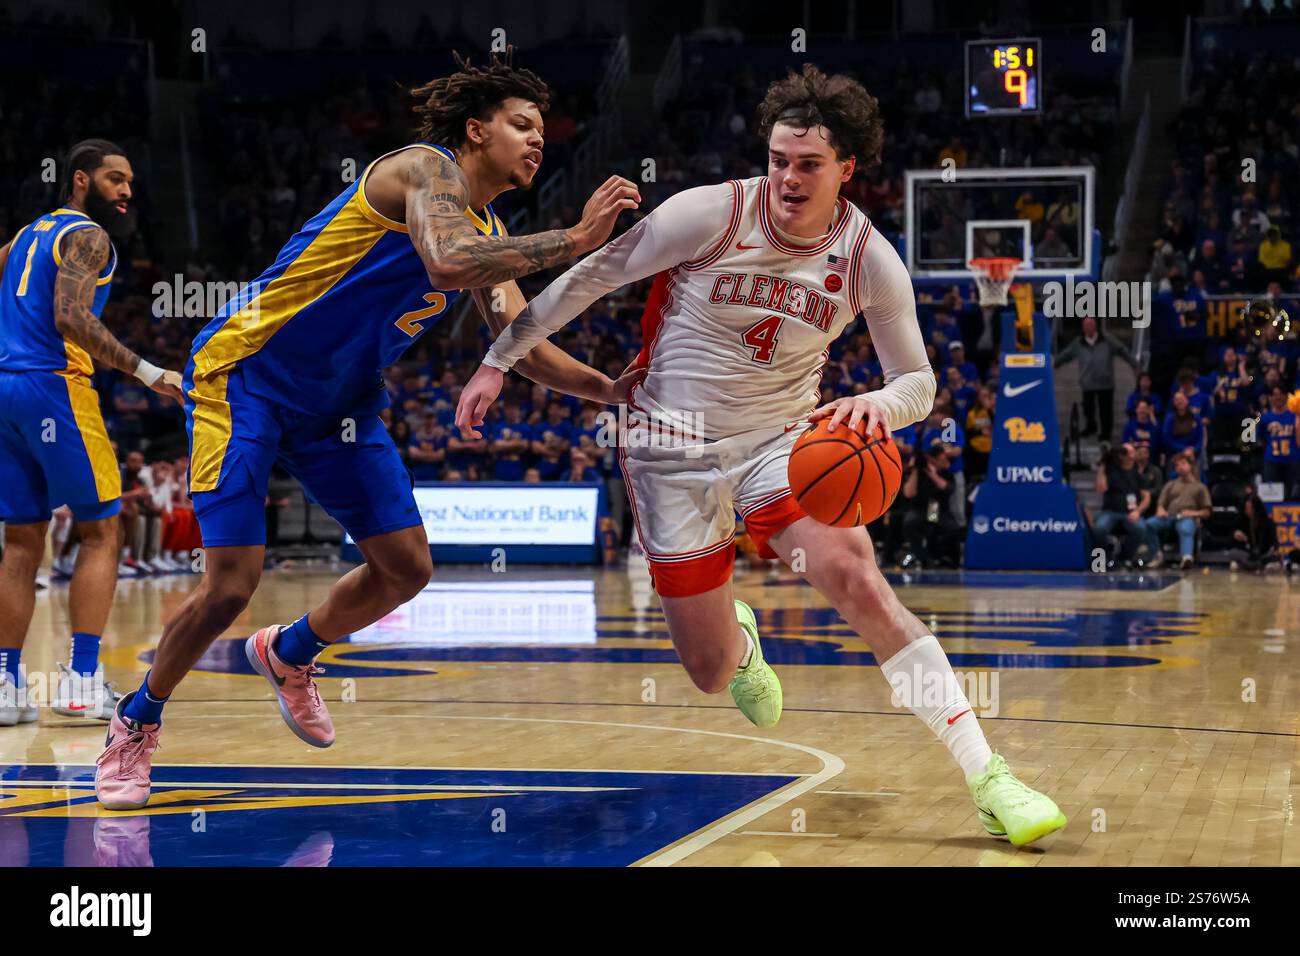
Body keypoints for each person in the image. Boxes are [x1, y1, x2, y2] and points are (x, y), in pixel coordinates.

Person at [457, 64, 1066, 846]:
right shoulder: (709, 213)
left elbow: (918, 382)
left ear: (847, 168)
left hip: (783, 441)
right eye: (779, 159)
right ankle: (740, 639)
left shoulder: (868, 259)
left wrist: (874, 406)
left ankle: (989, 774)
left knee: (856, 576)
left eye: (809, 164)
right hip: (668, 449)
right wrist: (498, 361)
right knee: (709, 671)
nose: (788, 176)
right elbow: (589, 277)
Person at [93, 53, 643, 810]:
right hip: (245, 375)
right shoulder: (422, 170)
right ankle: (135, 720)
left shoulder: (486, 227)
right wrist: (578, 239)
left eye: (542, 129)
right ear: (476, 130)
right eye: (522, 125)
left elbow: (519, 339)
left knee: (406, 567)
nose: (538, 140)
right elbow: (448, 263)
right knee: (231, 585)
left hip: (340, 405)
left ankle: (289, 653)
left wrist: (608, 388)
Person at [0, 140, 183, 728]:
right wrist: (151, 373)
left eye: (130, 181)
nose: (127, 191)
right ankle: (80, 680)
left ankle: (5, 686)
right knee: (103, 528)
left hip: (5, 388)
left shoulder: (28, 236)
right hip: (54, 386)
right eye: (114, 179)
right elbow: (71, 319)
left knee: (21, 541)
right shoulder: (87, 235)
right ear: (80, 181)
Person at [1053, 315, 1138, 442]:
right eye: (1086, 325)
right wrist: (1055, 363)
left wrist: (1133, 363)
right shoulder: (1079, 342)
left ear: (1096, 326)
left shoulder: (1107, 340)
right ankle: (1090, 426)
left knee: (1106, 410)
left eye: (1091, 325)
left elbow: (1122, 350)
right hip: (1087, 382)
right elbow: (1067, 354)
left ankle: (1105, 434)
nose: (1088, 327)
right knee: (1088, 407)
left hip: (1105, 382)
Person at [1144, 451, 1212, 569]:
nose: (1180, 467)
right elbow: (1161, 503)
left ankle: (1186, 557)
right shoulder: (1170, 484)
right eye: (1177, 465)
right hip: (1169, 516)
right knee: (1149, 523)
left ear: (1190, 466)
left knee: (1185, 527)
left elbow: (1207, 511)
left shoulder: (1200, 487)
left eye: (1183, 464)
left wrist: (1193, 513)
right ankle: (1157, 555)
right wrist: (1160, 510)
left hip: (1187, 517)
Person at [1091, 443, 1149, 563]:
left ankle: (1124, 557)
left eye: (1129, 451)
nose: (1127, 454)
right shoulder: (1111, 470)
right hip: (1110, 511)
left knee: (1140, 529)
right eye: (1123, 452)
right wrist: (1103, 466)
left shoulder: (1138, 474)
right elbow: (1100, 489)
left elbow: (1146, 498)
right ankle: (1104, 557)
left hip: (1130, 512)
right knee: (1099, 529)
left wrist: (1138, 511)